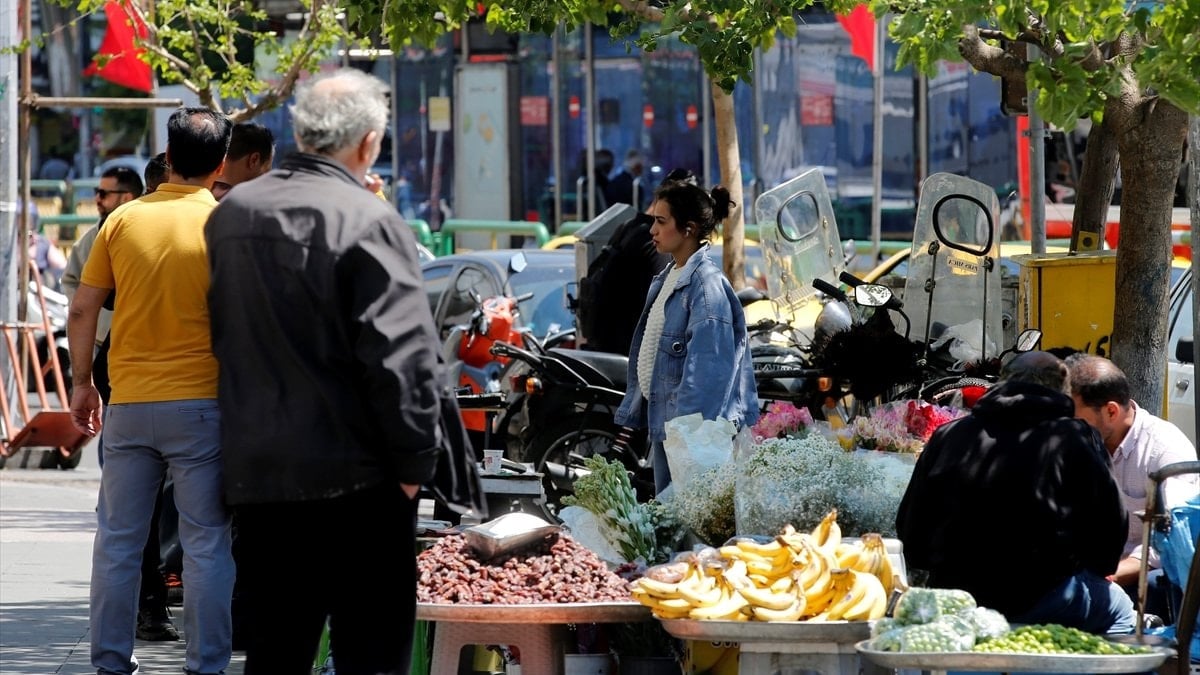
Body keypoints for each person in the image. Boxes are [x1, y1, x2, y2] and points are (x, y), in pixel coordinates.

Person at [205, 69, 444, 674]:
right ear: (368, 143)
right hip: (357, 479)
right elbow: (404, 360)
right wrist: (413, 469)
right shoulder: (368, 218)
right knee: (369, 653)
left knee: (275, 652)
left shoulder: (233, 214)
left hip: (262, 473)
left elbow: (224, 335)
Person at [68, 107, 235, 675]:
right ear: (220, 164)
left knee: (118, 540)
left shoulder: (122, 220)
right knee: (206, 542)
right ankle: (206, 665)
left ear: (167, 155)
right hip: (204, 407)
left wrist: (83, 384)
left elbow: (82, 308)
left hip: (131, 403)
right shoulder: (226, 224)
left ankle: (111, 662)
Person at [896, 351, 1136, 635]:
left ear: (1001, 382)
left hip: (954, 598)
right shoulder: (1076, 438)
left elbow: (911, 535)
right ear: (1063, 389)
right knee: (1123, 611)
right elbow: (1108, 541)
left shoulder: (948, 434)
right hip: (1044, 597)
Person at [614, 179, 760, 495]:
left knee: (686, 517)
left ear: (689, 229)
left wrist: (686, 440)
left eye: (661, 221)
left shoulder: (705, 288)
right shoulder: (671, 275)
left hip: (689, 433)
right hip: (668, 425)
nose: (652, 230)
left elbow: (707, 378)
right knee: (670, 516)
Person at [1066, 353, 1200, 620]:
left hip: (1141, 575)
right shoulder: (1077, 443)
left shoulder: (1165, 449)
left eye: (1075, 417)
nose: (1068, 425)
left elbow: (1174, 542)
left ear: (1111, 411)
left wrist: (1112, 574)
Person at [210, 122, 275, 200]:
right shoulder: (253, 202)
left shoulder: (200, 187)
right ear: (254, 160)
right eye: (267, 170)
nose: (266, 178)